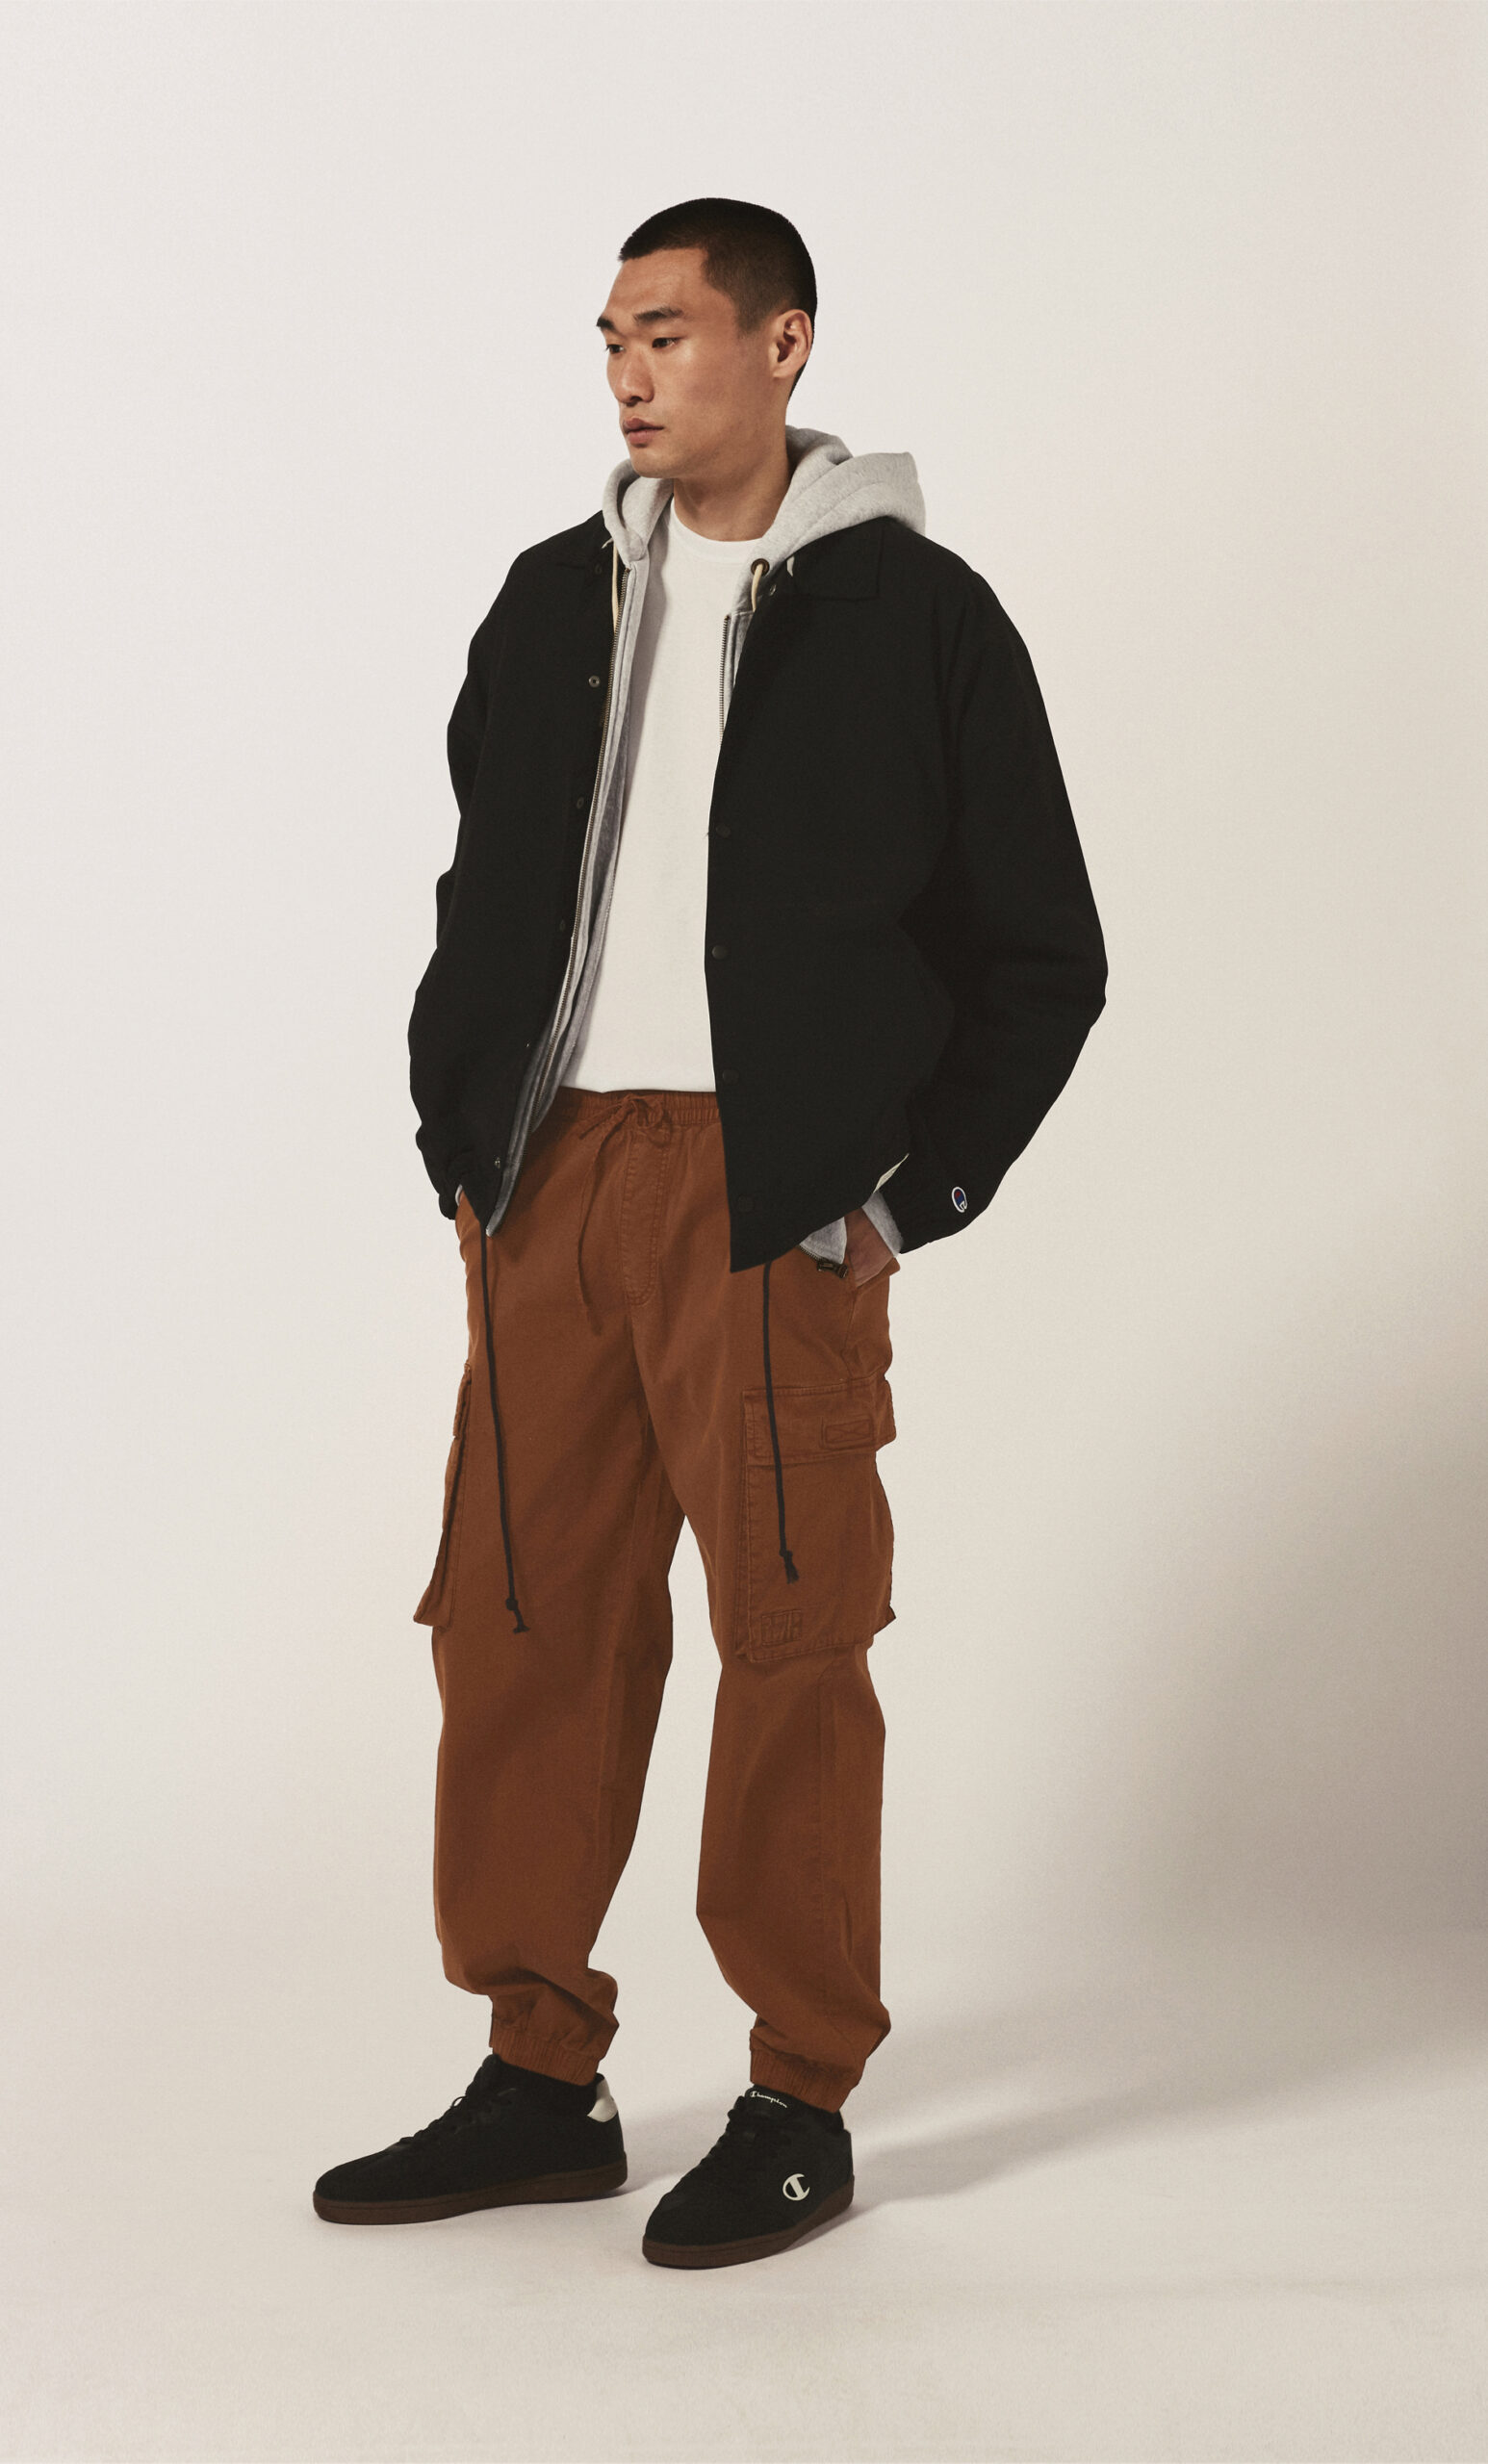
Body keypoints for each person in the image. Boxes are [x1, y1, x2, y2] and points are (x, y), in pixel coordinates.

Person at [313, 196, 1106, 2270]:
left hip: (774, 1194)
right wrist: (465, 1133)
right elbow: (483, 886)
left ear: (784, 342)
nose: (628, 372)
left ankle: (798, 2091)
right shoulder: (549, 600)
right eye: (608, 339)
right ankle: (536, 2071)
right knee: (517, 1622)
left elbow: (1044, 951)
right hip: (552, 1176)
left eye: (664, 331)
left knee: (790, 1634)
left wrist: (904, 1192)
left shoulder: (921, 617)